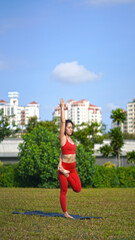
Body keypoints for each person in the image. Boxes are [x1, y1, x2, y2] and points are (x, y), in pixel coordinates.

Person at [58, 98, 81, 219]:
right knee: (64, 191)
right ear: (65, 129)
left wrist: (60, 162)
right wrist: (62, 108)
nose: (70, 129)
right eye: (68, 127)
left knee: (78, 189)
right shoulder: (62, 138)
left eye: (71, 127)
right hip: (64, 169)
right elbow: (62, 122)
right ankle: (66, 213)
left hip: (72, 169)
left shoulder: (72, 140)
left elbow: (61, 154)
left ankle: (66, 175)